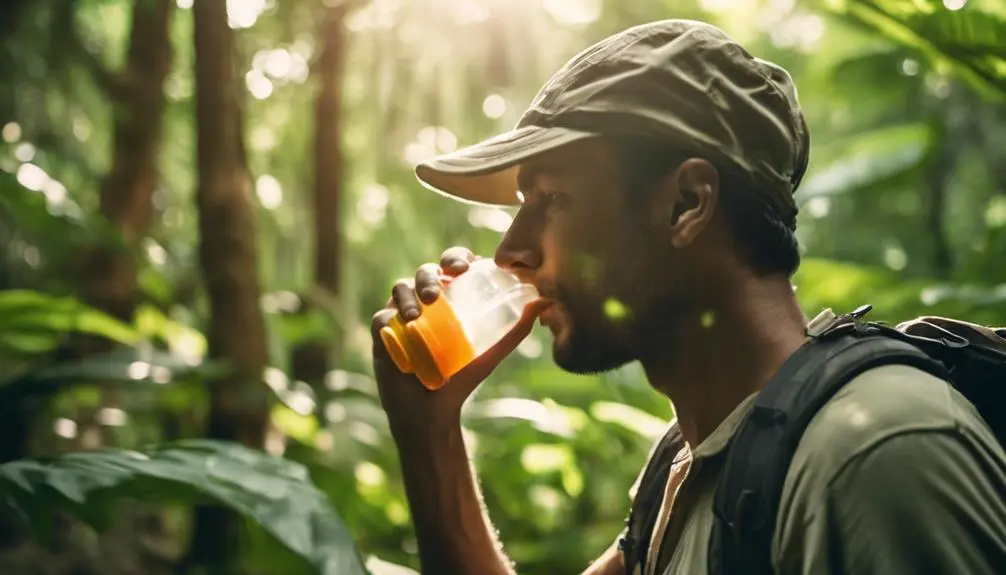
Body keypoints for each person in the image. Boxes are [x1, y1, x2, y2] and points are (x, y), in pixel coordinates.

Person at [369, 19, 1006, 575]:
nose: (512, 248)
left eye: (554, 200)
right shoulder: (691, 462)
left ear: (687, 204)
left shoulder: (873, 455)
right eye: (523, 206)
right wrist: (430, 431)